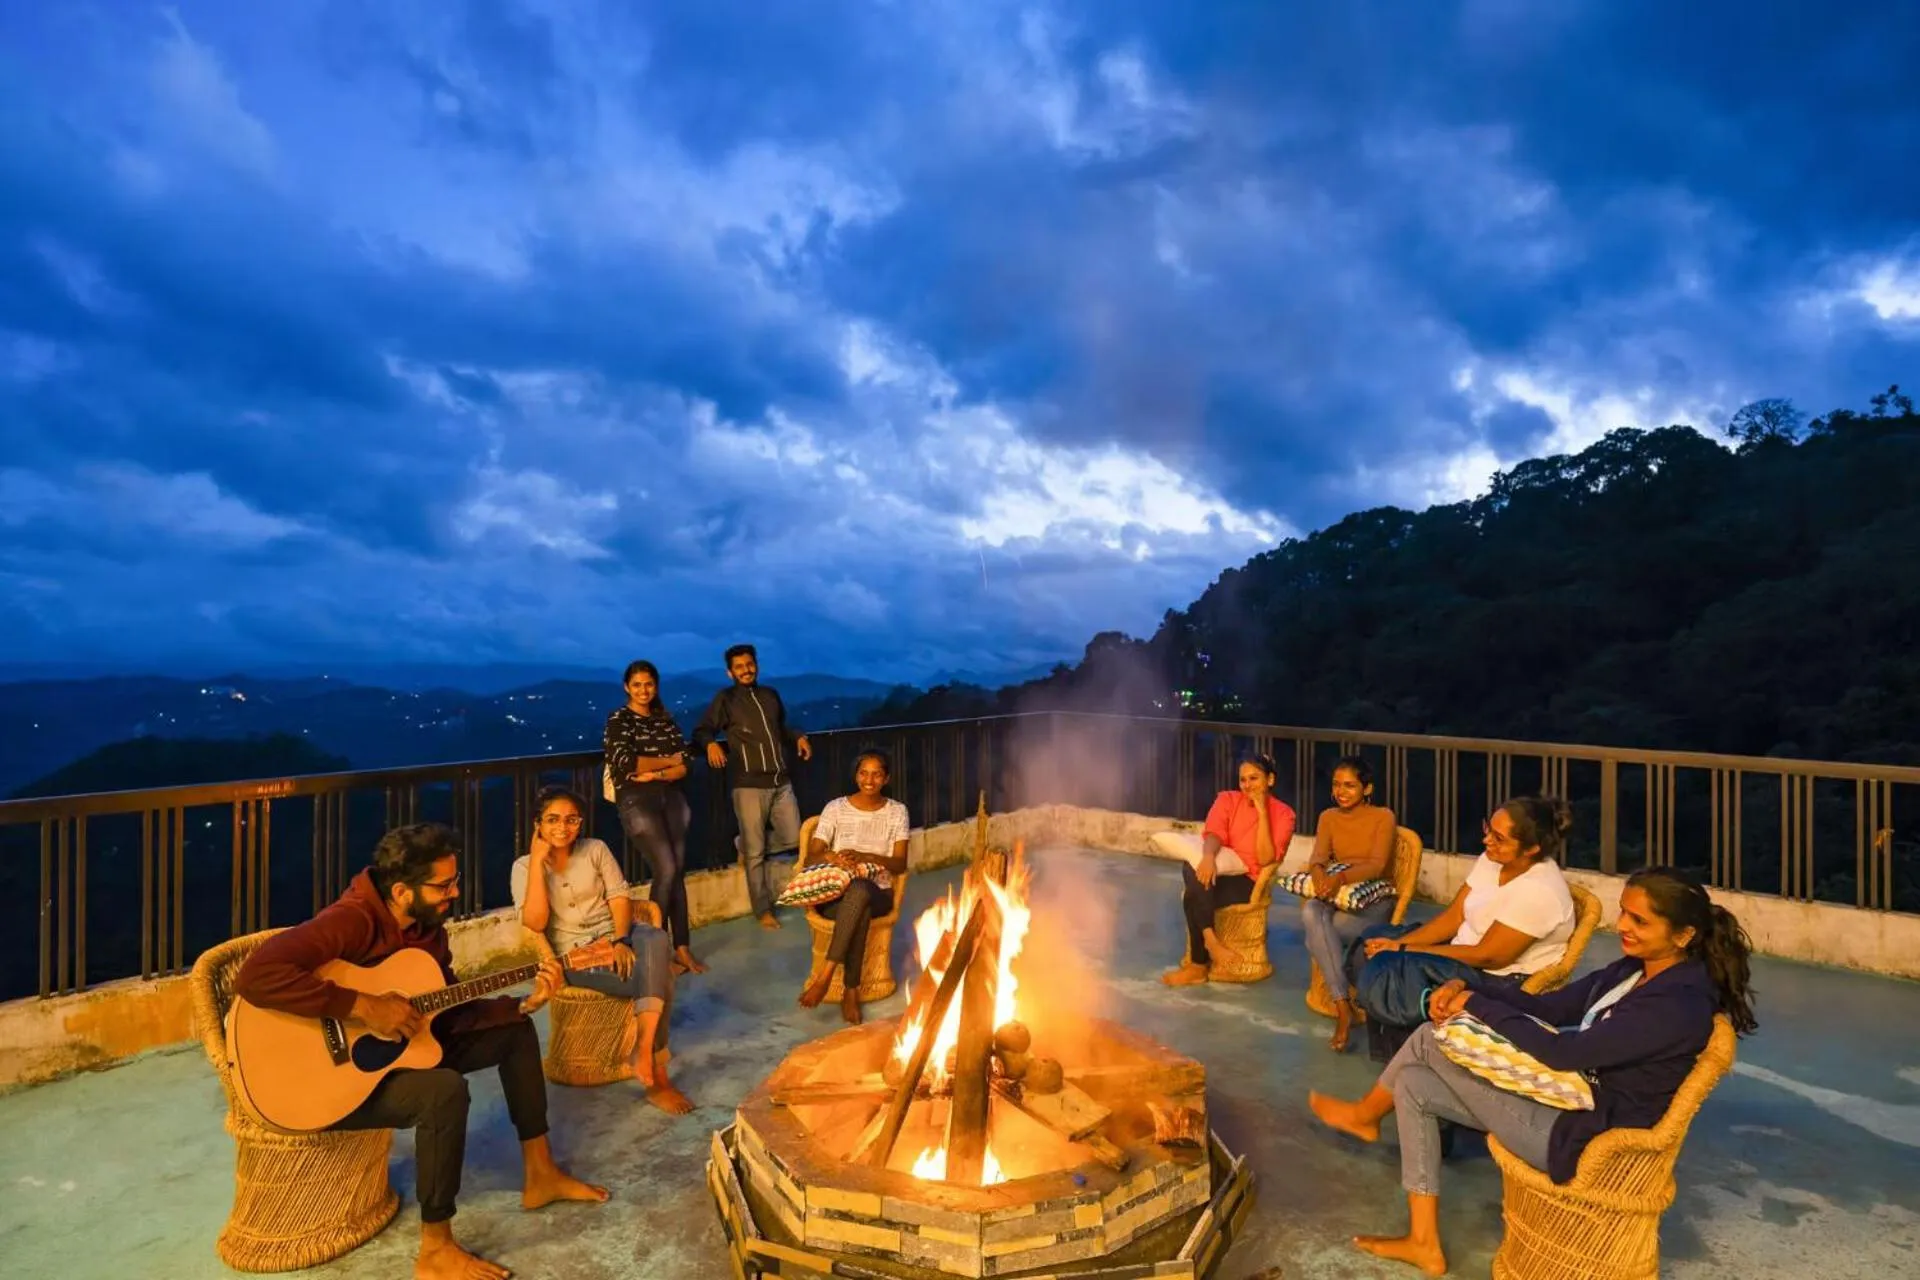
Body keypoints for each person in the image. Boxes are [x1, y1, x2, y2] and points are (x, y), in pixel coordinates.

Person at [1308, 867, 1756, 1276]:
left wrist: (1474, 1005)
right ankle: (1423, 1241)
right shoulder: (1637, 970)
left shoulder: (1677, 1005)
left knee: (1429, 1039)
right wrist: (1467, 988)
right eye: (1624, 913)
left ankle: (1366, 1115)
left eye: (1640, 921)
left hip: (1590, 1135)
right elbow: (1550, 1006)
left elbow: (1565, 1053)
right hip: (1570, 1101)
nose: (1623, 927)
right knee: (1413, 1083)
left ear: (1684, 935)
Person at [232, 822, 605, 1280]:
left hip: (389, 1059)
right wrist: (361, 1005)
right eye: (443, 885)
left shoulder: (430, 935)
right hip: (325, 1081)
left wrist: (521, 1002)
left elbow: (443, 1014)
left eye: (455, 881)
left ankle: (541, 1173)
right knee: (442, 1092)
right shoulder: (353, 920)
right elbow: (255, 976)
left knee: (515, 1031)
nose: (454, 892)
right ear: (403, 891)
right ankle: (435, 1249)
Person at [1346, 795, 1577, 1061]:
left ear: (1531, 849)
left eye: (1499, 838)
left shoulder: (1539, 891)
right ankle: (1390, 1051)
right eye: (1488, 829)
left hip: (1498, 975)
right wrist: (1400, 943)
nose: (1487, 840)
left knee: (1392, 967)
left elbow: (1488, 955)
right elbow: (1454, 916)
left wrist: (1404, 948)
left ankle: (1405, 1057)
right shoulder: (1493, 860)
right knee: (1372, 941)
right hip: (1462, 948)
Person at [511, 785, 692, 1116]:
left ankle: (642, 1050)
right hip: (574, 956)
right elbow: (535, 923)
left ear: (580, 823)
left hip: (618, 935)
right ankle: (655, 1073)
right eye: (552, 820)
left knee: (654, 938)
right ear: (537, 823)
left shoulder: (595, 849)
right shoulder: (523, 867)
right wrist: (538, 863)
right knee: (659, 977)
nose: (562, 828)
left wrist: (620, 941)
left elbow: (619, 897)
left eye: (571, 820)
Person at [692, 643, 812, 930]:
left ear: (756, 664)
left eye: (749, 664)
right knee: (756, 854)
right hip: (747, 785)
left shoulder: (770, 695)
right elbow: (702, 729)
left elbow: (780, 728)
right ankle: (763, 910)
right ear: (730, 672)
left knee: (795, 838)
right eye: (739, 667)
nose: (746, 670)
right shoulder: (726, 699)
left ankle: (742, 844)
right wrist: (709, 744)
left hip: (780, 780)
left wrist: (797, 737)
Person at [603, 659, 704, 975]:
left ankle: (682, 948)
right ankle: (654, 952)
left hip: (671, 797)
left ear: (655, 686)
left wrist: (655, 769)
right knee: (667, 867)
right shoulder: (619, 720)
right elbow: (623, 764)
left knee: (676, 871)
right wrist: (666, 763)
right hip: (636, 800)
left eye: (648, 684)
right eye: (637, 685)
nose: (643, 690)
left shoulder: (665, 719)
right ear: (626, 687)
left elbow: (685, 763)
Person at [796, 749, 911, 1025]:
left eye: (876, 774)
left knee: (860, 891)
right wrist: (831, 857)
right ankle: (851, 990)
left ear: (886, 778)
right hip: (835, 893)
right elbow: (810, 857)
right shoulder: (835, 808)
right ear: (856, 775)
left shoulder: (897, 812)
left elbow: (899, 864)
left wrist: (867, 857)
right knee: (857, 903)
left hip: (879, 891)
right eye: (863, 773)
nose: (868, 780)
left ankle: (825, 976)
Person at [1161, 755, 1298, 986]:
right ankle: (1211, 942)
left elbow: (1266, 859)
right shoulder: (1227, 799)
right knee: (1192, 869)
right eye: (1243, 780)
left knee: (1193, 895)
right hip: (1223, 869)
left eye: (1254, 778)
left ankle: (1198, 966)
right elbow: (1214, 833)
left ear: (1270, 780)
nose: (1247, 785)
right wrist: (1207, 857)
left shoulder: (1284, 814)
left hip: (1249, 880)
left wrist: (1263, 812)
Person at [1298, 756, 1400, 1051]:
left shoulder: (1383, 817)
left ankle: (1339, 1001)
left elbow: (1377, 865)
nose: (1341, 792)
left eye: (1350, 786)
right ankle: (1343, 1005)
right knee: (1311, 910)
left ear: (1367, 789)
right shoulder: (1328, 817)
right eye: (1336, 785)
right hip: (1337, 893)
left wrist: (1339, 879)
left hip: (1372, 899)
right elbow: (1318, 858)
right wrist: (1318, 876)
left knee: (1321, 932)